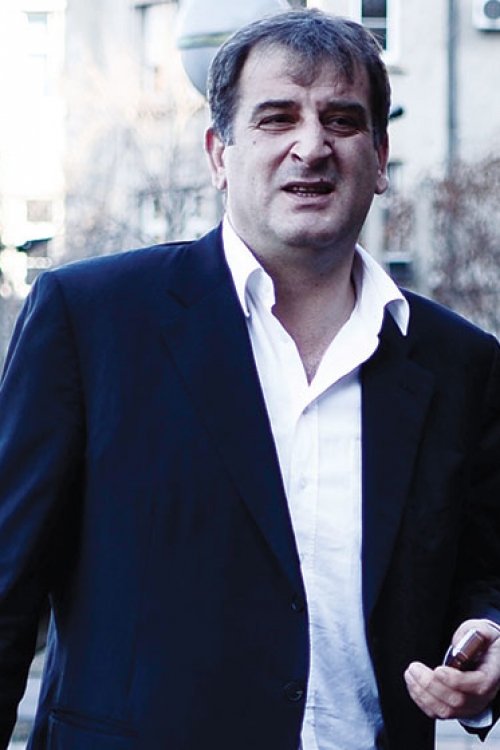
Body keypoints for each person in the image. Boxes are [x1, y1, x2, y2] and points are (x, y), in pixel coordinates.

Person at [0, 8, 499, 750]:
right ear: (219, 154)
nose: (312, 146)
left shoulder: (459, 361)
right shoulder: (92, 319)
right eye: (276, 118)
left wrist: (488, 637)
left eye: (342, 120)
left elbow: (485, 570)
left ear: (379, 156)